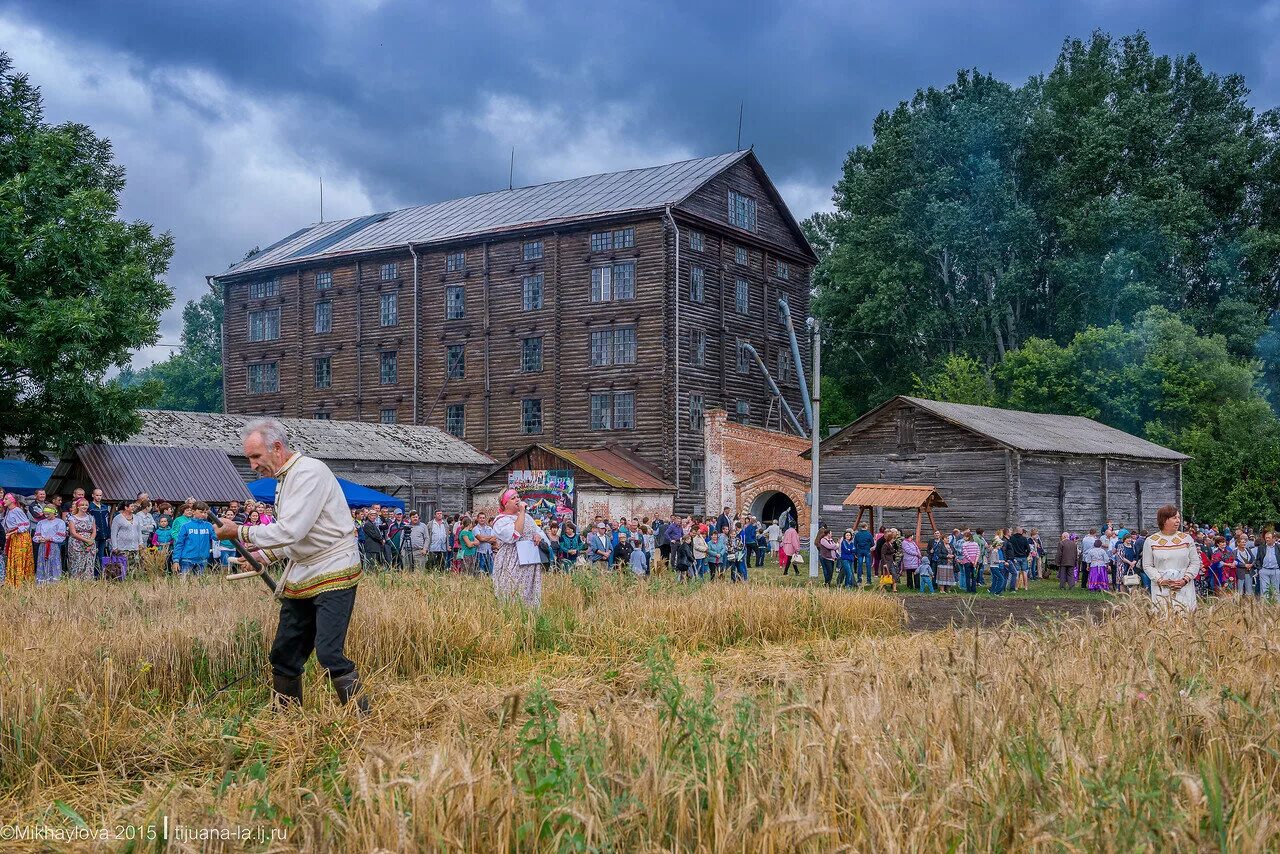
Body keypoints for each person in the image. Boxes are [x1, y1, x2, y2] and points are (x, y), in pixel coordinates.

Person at [212, 418, 369, 711]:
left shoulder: (309, 472)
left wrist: (240, 532)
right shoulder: (286, 478)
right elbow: (298, 534)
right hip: (302, 572)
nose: (253, 465)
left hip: (334, 569)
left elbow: (291, 530)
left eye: (256, 456)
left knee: (329, 653)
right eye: (249, 458)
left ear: (277, 447)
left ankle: (362, 717)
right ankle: (287, 718)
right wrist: (263, 556)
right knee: (284, 653)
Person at [490, 488, 547, 608]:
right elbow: (514, 534)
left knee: (530, 592)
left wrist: (537, 536)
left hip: (529, 559)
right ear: (505, 503)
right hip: (512, 560)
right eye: (513, 498)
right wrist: (521, 512)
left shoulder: (527, 517)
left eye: (517, 496)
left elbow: (538, 531)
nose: (517, 499)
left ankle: (530, 618)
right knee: (512, 590)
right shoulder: (501, 520)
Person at [1141, 505, 1198, 614]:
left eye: (1179, 518)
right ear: (1164, 520)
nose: (1178, 521)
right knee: (1163, 616)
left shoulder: (1186, 539)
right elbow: (1147, 565)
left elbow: (1195, 562)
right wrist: (1161, 580)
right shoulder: (1151, 541)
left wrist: (1185, 579)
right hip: (1161, 586)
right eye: (1174, 518)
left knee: (1185, 616)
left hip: (1184, 585)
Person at [173, 502, 216, 576]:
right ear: (193, 512)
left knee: (200, 584)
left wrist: (222, 528)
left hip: (203, 560)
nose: (203, 514)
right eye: (201, 512)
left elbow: (216, 537)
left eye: (205, 512)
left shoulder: (209, 526)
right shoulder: (186, 526)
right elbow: (179, 544)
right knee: (185, 583)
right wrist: (176, 560)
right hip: (187, 559)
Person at [3, 493, 34, 587]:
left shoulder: (17, 510)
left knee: (20, 557)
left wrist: (10, 533)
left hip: (21, 539)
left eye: (6, 499)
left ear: (12, 500)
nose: (3, 500)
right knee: (14, 558)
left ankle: (20, 582)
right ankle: (13, 582)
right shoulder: (9, 511)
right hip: (14, 538)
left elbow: (25, 525)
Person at [33, 505, 67, 583]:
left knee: (53, 562)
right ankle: (43, 581)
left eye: (48, 514)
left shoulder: (60, 522)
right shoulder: (41, 522)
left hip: (53, 546)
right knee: (43, 562)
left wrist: (50, 538)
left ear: (53, 512)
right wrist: (39, 539)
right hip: (43, 546)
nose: (46, 515)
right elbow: (36, 535)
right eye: (45, 514)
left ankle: (54, 582)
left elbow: (61, 536)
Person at [66, 497, 97, 580]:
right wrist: (86, 540)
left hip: (90, 543)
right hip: (76, 543)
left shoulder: (91, 518)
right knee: (77, 563)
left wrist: (90, 541)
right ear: (78, 506)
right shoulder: (72, 518)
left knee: (89, 563)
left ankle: (88, 581)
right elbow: (73, 533)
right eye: (82, 505)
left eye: (86, 505)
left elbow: (94, 531)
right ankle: (76, 581)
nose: (84, 506)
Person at [110, 503, 143, 575]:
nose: (133, 508)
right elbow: (113, 533)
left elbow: (139, 531)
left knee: (134, 565)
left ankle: (132, 581)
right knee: (122, 566)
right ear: (126, 507)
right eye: (132, 506)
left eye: (134, 506)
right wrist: (114, 546)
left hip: (134, 546)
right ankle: (122, 580)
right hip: (122, 547)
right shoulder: (118, 518)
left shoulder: (136, 517)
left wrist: (141, 542)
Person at [1255, 530, 1280, 598]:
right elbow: (1258, 559)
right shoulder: (1261, 547)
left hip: (1276, 570)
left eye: (1269, 538)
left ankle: (1276, 606)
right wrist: (1260, 570)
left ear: (1274, 538)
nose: (1267, 539)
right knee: (1264, 589)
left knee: (1276, 589)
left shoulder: (1278, 547)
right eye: (1266, 538)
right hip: (1264, 570)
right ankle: (1265, 606)